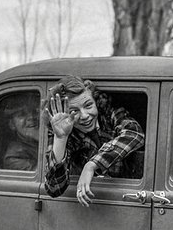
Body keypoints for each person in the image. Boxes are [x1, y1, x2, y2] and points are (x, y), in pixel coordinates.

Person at [43, 75, 145, 206]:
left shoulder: (109, 111)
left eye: (88, 105)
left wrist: (91, 165)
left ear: (95, 100)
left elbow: (135, 133)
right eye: (74, 111)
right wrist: (61, 138)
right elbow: (54, 188)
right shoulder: (60, 130)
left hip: (128, 197)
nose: (85, 115)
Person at [0, 93, 41, 171]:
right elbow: (46, 174)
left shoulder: (37, 142)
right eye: (22, 114)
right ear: (12, 124)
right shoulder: (13, 158)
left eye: (35, 112)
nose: (31, 117)